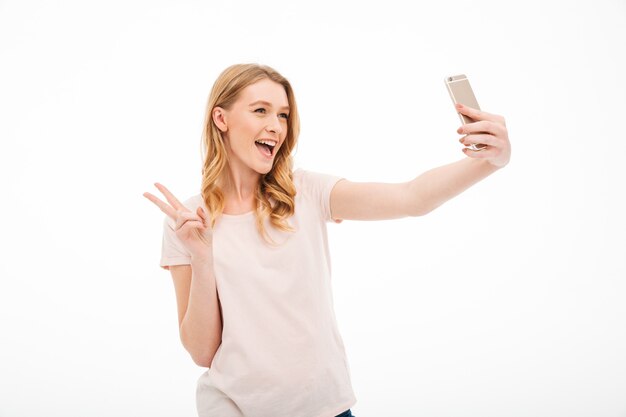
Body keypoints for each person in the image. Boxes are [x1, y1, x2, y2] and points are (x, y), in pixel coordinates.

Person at [142, 63, 511, 417]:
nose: (275, 126)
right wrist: (202, 256)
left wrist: (487, 163)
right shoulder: (189, 222)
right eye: (261, 110)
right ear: (221, 118)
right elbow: (202, 352)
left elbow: (411, 197)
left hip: (326, 409)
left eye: (283, 115)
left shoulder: (307, 192)